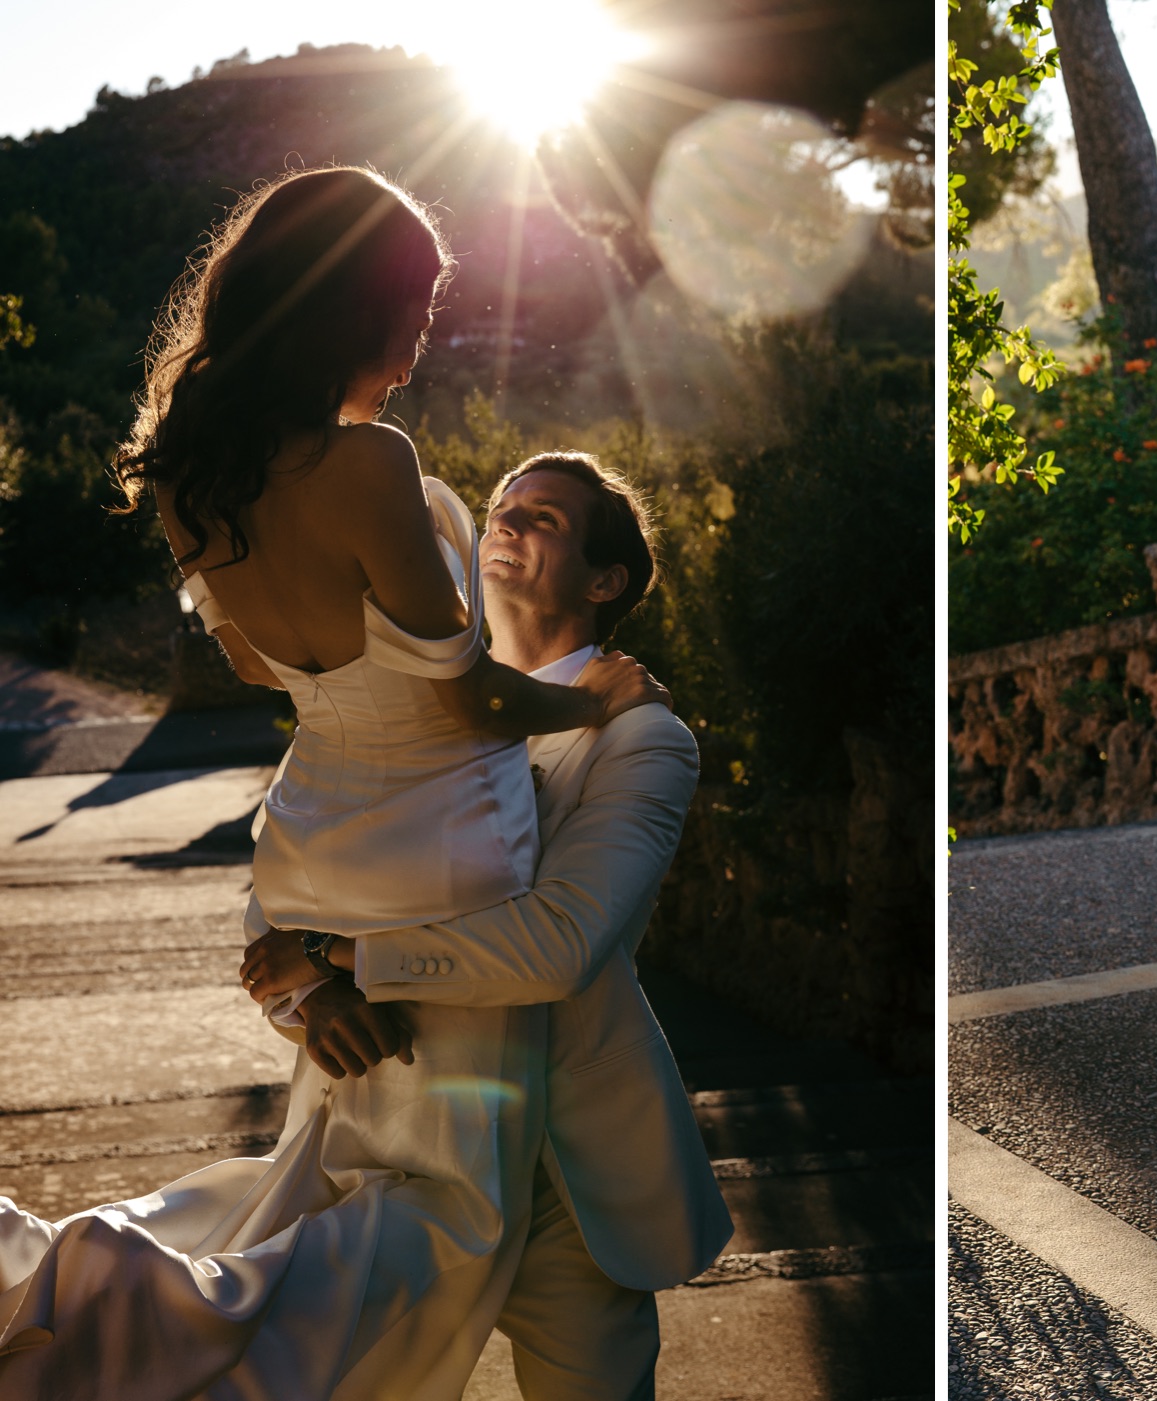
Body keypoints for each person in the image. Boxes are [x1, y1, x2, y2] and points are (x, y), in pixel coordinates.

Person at [0, 167, 665, 1399]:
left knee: (342, 1173)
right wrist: (594, 702)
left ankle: (86, 1295)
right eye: (411, 320)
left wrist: (306, 963)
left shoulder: (191, 485)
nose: (413, 356)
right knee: (446, 1219)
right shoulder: (368, 464)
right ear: (352, 309)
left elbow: (281, 674)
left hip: (314, 831)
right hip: (438, 846)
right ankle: (104, 1297)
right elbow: (463, 700)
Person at [240, 451, 733, 1399]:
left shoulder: (643, 739)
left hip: (562, 1179)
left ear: (605, 579)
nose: (503, 523)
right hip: (392, 1148)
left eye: (542, 518)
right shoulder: (411, 703)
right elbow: (284, 883)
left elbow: (558, 943)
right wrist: (310, 989)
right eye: (502, 507)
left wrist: (338, 950)